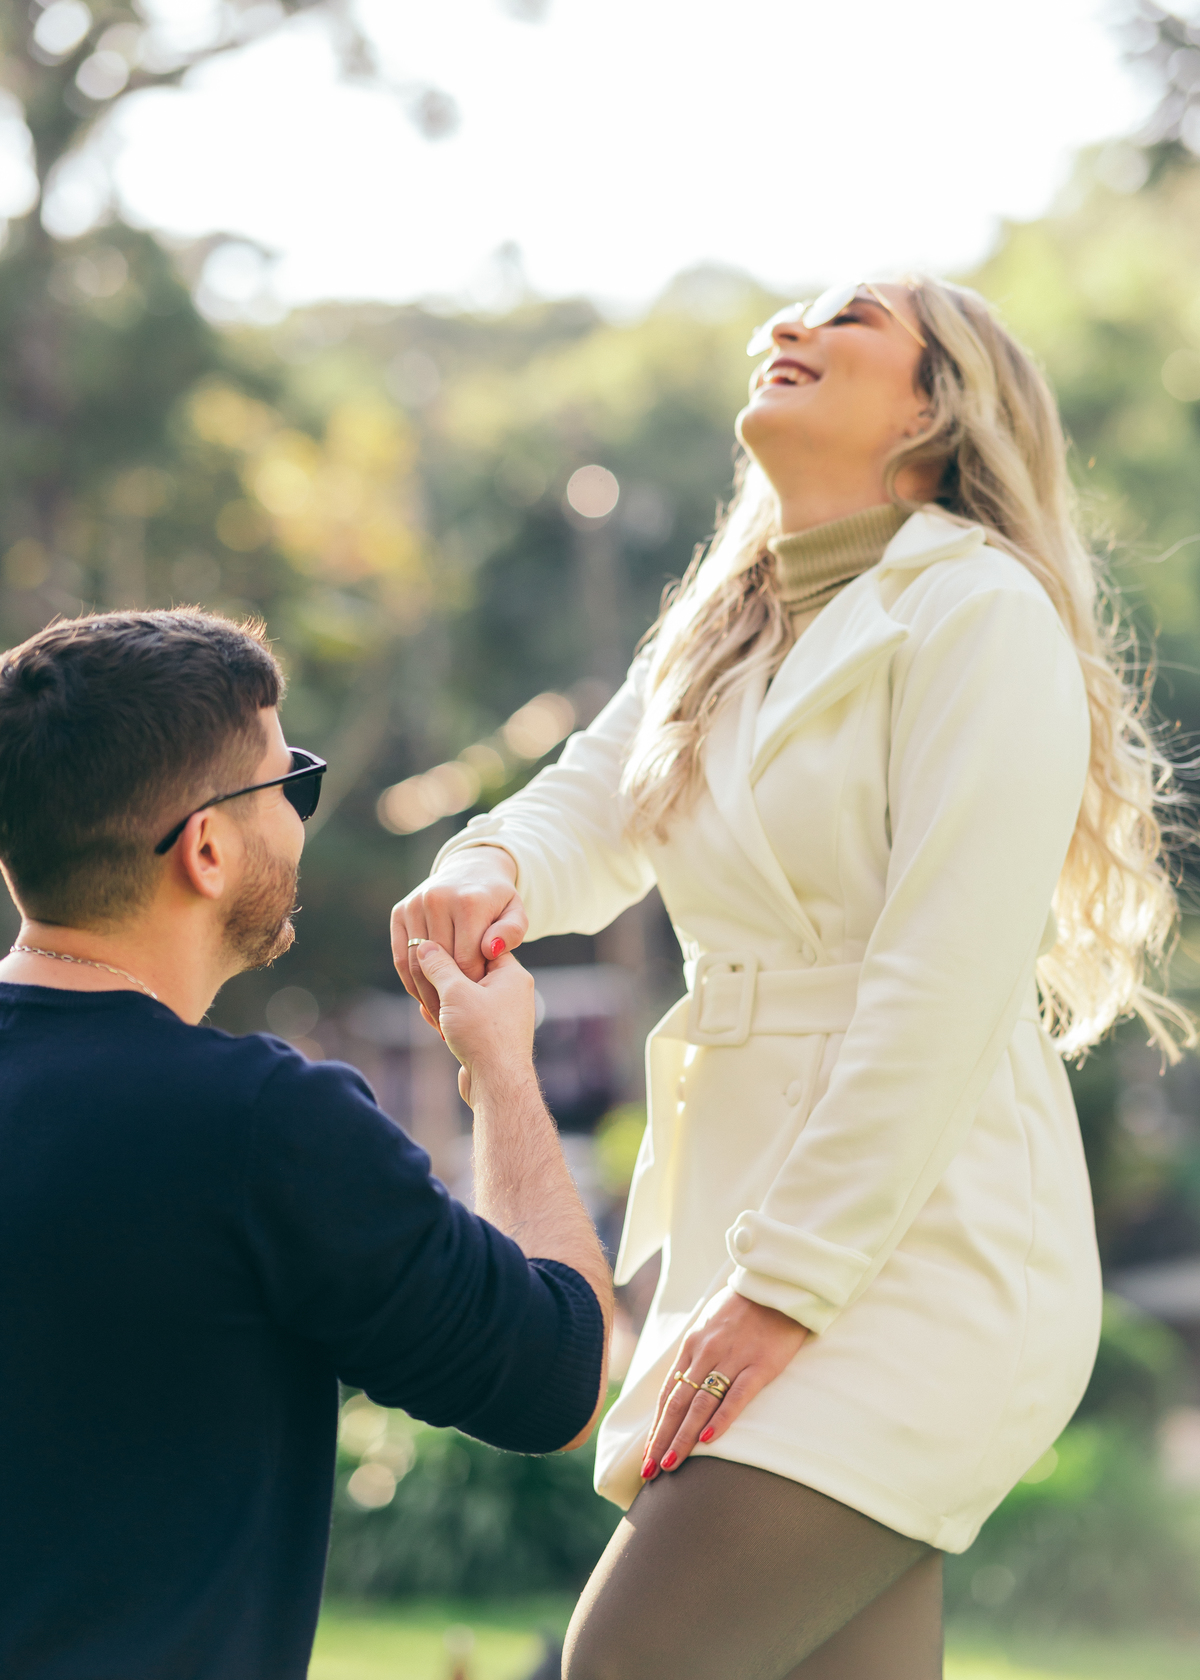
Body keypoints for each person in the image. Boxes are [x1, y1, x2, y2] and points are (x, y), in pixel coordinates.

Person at [393, 277, 1191, 1679]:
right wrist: (487, 867)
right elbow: (595, 802)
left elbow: (938, 986)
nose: (787, 328)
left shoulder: (980, 612)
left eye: (850, 317)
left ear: (939, 405)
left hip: (929, 1248)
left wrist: (785, 1287)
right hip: (759, 1230)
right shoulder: (726, 622)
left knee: (622, 1662)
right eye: (789, 315)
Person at [0, 608, 611, 1680]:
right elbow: (557, 1379)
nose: (299, 816)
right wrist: (503, 1073)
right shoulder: (260, 1128)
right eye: (294, 785)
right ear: (206, 848)